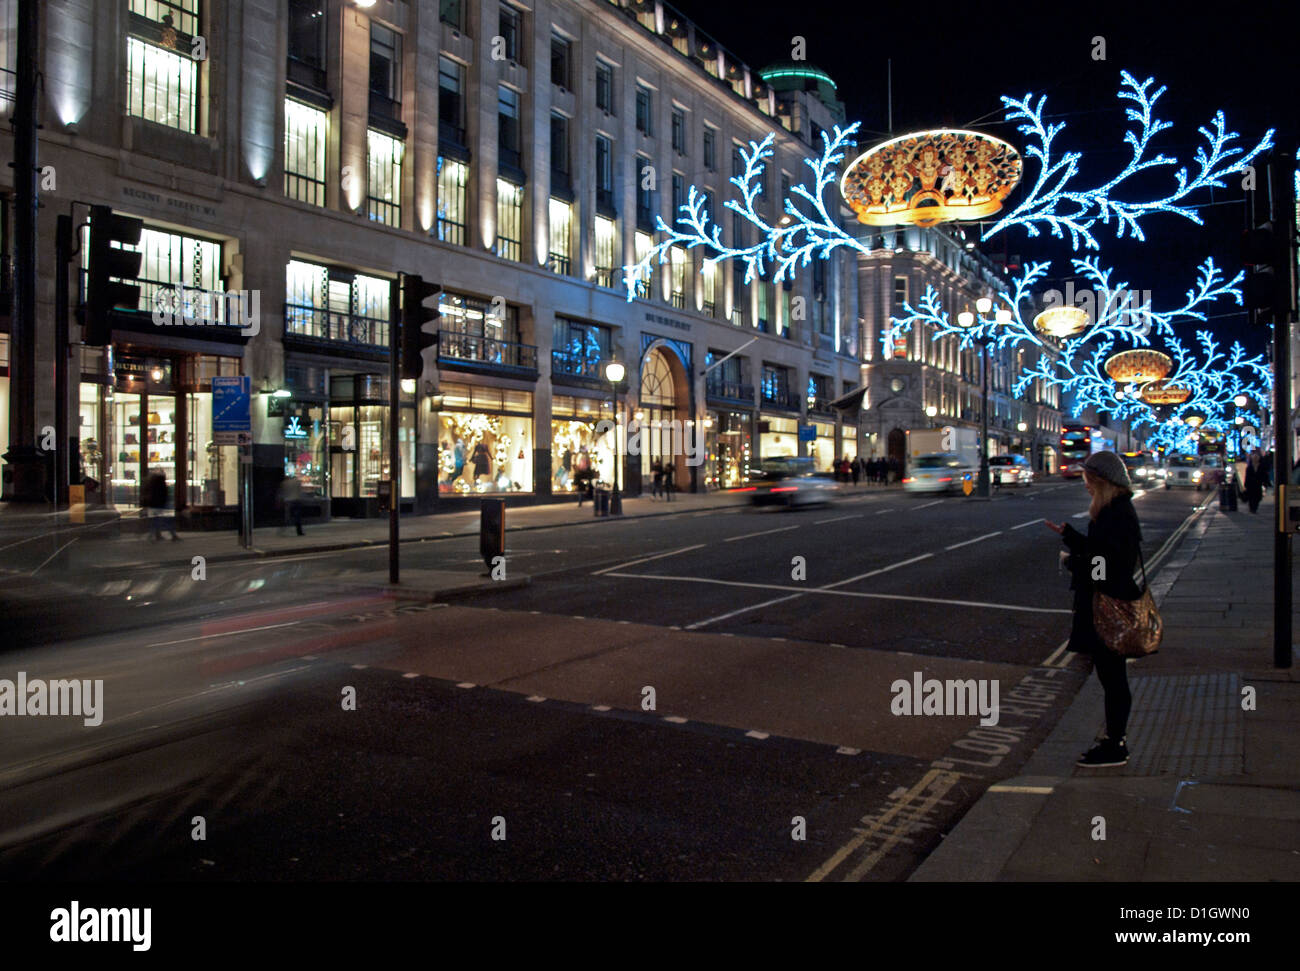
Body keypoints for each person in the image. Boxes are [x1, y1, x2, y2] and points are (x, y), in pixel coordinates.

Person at [1044, 451, 1142, 767]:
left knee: (1113, 679)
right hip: (1105, 605)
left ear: (1102, 482)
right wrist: (1071, 537)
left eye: (1089, 480)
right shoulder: (1113, 511)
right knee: (1110, 677)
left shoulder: (1117, 515)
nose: (1086, 486)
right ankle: (1114, 739)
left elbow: (1107, 567)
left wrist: (1072, 563)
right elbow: (1102, 554)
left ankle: (1116, 745)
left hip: (1107, 609)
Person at [142, 469, 179, 541]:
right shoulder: (162, 484)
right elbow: (165, 495)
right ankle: (172, 535)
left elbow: (148, 494)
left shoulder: (152, 484)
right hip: (161, 505)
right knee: (167, 521)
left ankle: (156, 535)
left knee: (155, 521)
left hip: (153, 505)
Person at [1243, 449, 1264, 514]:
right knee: (1251, 497)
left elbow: (1264, 475)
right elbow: (1247, 477)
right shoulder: (1249, 467)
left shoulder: (1261, 466)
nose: (1255, 459)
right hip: (1251, 485)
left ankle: (1255, 507)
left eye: (1256, 458)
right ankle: (1252, 508)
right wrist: (1245, 484)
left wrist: (1264, 482)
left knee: (1258, 497)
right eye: (1254, 458)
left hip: (1258, 484)